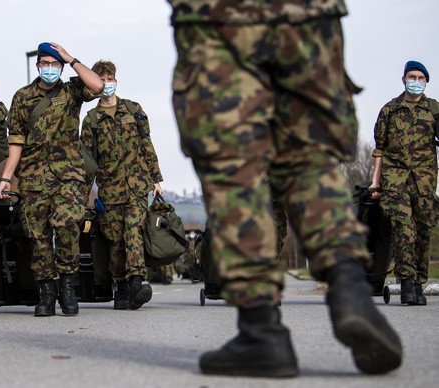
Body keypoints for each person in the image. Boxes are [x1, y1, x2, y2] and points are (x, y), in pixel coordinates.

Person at [168, 0, 402, 378]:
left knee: (236, 172)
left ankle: (262, 332)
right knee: (310, 161)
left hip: (221, 14)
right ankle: (350, 290)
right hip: (308, 13)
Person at [0, 42, 103, 317]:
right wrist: (6, 177)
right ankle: (46, 291)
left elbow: (98, 86)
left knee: (67, 225)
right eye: (45, 63)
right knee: (37, 235)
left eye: (54, 64)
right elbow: (16, 143)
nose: (49, 68)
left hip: (67, 174)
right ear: (37, 66)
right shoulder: (22, 97)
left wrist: (71, 59)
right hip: (33, 177)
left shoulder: (71, 90)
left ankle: (67, 286)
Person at [80, 60, 163, 310]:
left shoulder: (134, 110)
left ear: (116, 80)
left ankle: (137, 281)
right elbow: (88, 161)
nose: (107, 84)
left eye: (110, 78)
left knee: (134, 232)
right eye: (101, 80)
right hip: (110, 189)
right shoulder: (91, 120)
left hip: (137, 185)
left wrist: (156, 179)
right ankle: (122, 286)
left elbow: (147, 144)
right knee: (115, 239)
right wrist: (82, 195)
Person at [369, 60, 437, 306]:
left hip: (425, 181)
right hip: (394, 179)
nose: (416, 82)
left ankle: (419, 282)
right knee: (403, 227)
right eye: (412, 77)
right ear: (403, 79)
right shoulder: (389, 110)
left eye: (420, 78)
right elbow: (379, 150)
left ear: (426, 81)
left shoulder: (434, 110)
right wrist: (375, 184)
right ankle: (407, 282)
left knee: (422, 231)